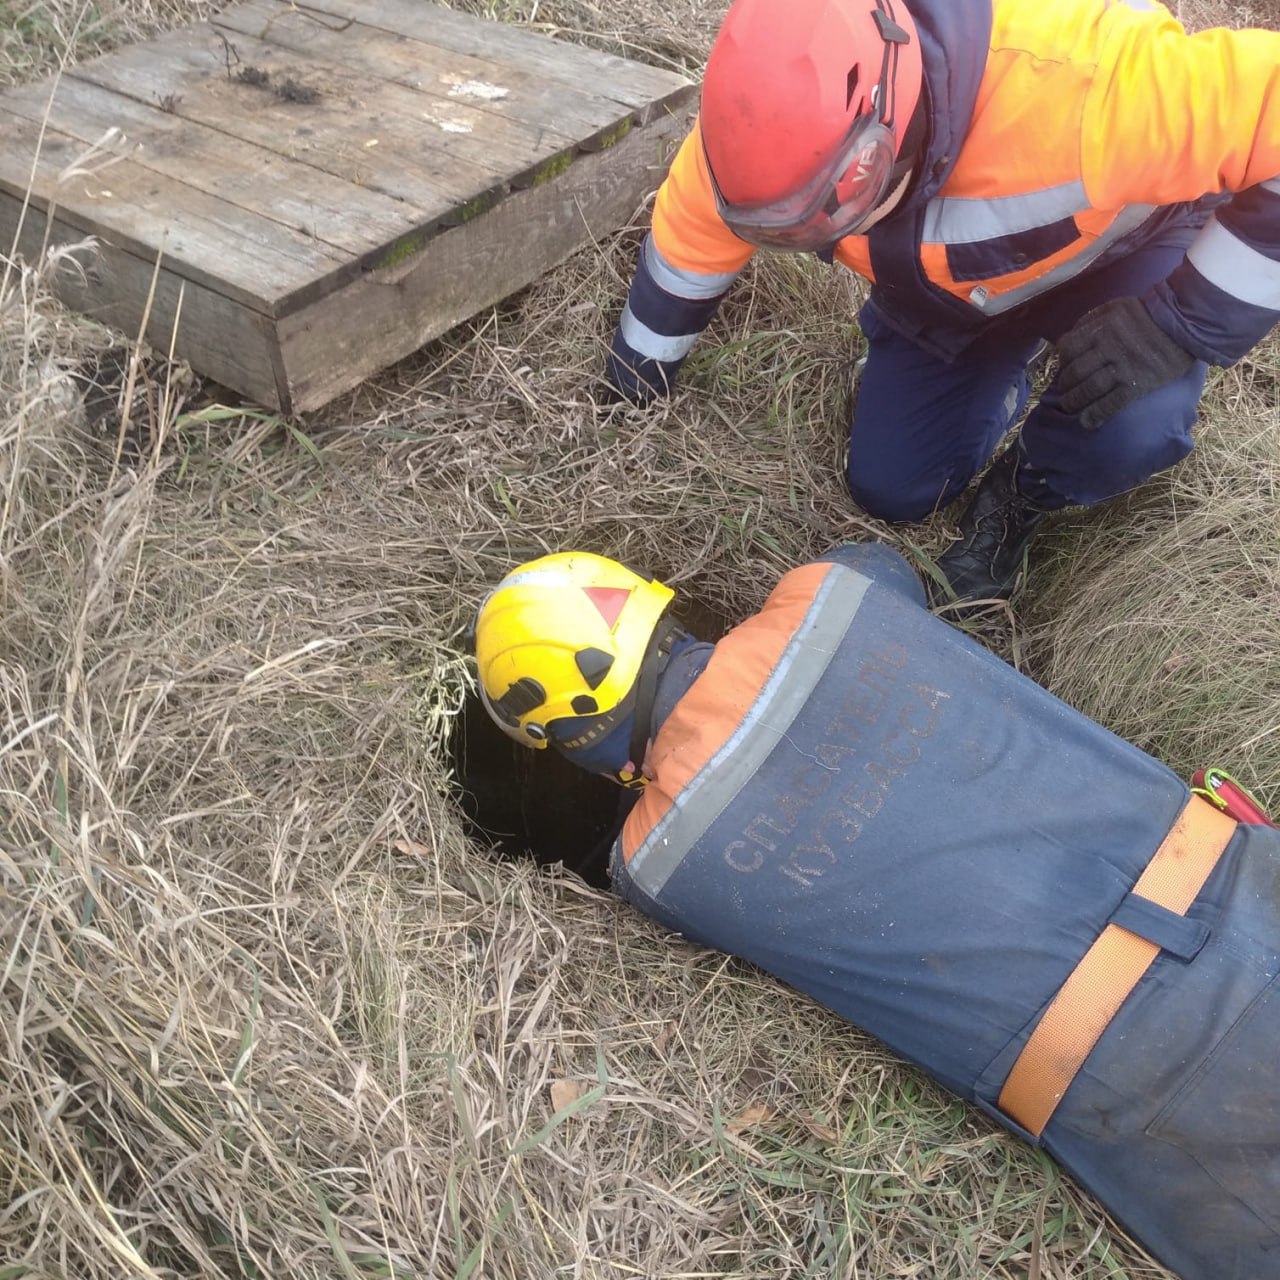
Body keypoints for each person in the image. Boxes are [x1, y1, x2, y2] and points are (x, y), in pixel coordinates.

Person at [472, 543, 1280, 1280]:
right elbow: (887, 570)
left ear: (574, 739)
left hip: (1144, 1082)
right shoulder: (829, 589)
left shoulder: (654, 862)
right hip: (1235, 878)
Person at [603, 0, 1280, 603]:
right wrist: (632, 386)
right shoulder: (756, 139)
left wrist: (1176, 323)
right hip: (950, 295)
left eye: (819, 222)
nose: (814, 244)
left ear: (885, 141)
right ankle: (999, 377)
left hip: (1119, 256)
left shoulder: (1097, 87)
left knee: (1133, 421)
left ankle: (1023, 494)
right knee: (895, 491)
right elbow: (686, 249)